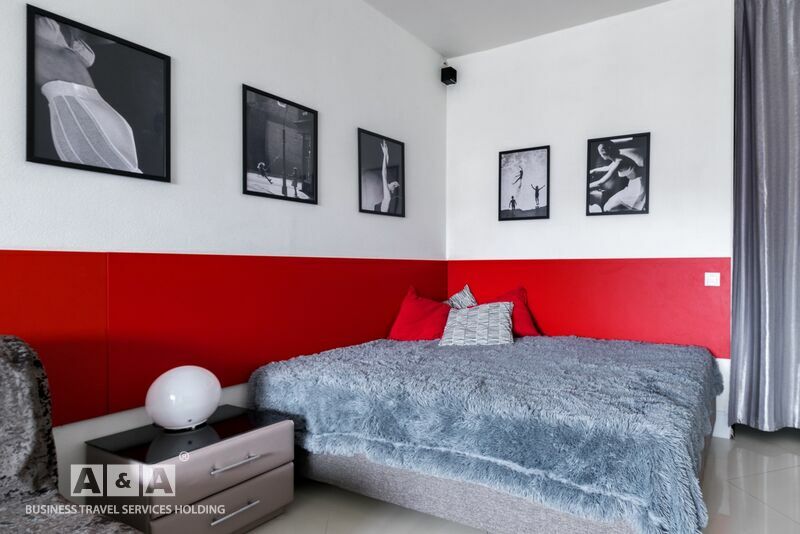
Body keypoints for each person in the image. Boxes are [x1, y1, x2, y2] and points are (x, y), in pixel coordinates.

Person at [34, 15, 141, 173]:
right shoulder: (46, 25)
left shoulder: (82, 47)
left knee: (123, 168)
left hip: (89, 103)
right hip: (70, 101)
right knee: (116, 169)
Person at [588, 142, 646, 212]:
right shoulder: (617, 159)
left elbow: (601, 182)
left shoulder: (619, 161)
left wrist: (588, 186)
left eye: (600, 151)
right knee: (608, 206)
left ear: (604, 152)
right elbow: (608, 167)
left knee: (609, 208)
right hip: (633, 184)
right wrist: (594, 170)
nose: (600, 154)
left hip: (638, 186)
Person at [374, 139, 401, 214]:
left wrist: (385, 155)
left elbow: (384, 174)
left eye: (394, 185)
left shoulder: (388, 198)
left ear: (392, 190)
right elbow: (385, 171)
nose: (391, 183)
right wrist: (386, 155)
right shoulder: (386, 199)